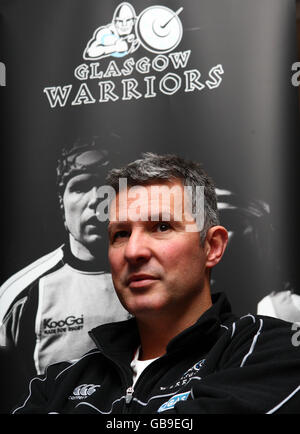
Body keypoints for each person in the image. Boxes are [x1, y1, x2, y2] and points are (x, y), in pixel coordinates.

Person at [13, 153, 300, 414]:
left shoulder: (271, 351)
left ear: (212, 247)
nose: (133, 251)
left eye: (162, 227)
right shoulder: (59, 382)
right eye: (121, 234)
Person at [0, 141, 130, 392]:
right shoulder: (19, 293)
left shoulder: (155, 279)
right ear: (61, 201)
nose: (96, 201)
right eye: (81, 186)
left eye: (108, 188)